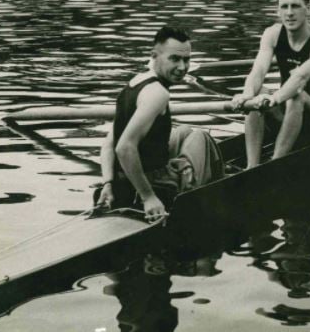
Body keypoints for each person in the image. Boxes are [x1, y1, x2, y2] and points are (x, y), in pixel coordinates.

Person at [96, 26, 224, 222]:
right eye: (175, 59)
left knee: (184, 131)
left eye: (187, 59)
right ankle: (212, 193)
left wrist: (108, 183)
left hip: (121, 180)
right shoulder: (158, 93)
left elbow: (108, 144)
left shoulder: (133, 83)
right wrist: (148, 198)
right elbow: (123, 148)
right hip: (154, 183)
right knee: (202, 137)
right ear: (154, 55)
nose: (182, 67)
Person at [231, 0, 310, 168]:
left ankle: (275, 165)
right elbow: (259, 70)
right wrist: (247, 95)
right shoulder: (272, 34)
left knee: (297, 94)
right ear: (278, 11)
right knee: (257, 91)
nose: (289, 13)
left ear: (307, 9)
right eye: (284, 7)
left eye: (295, 6)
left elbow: (299, 78)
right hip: (288, 112)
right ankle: (251, 167)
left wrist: (276, 98)